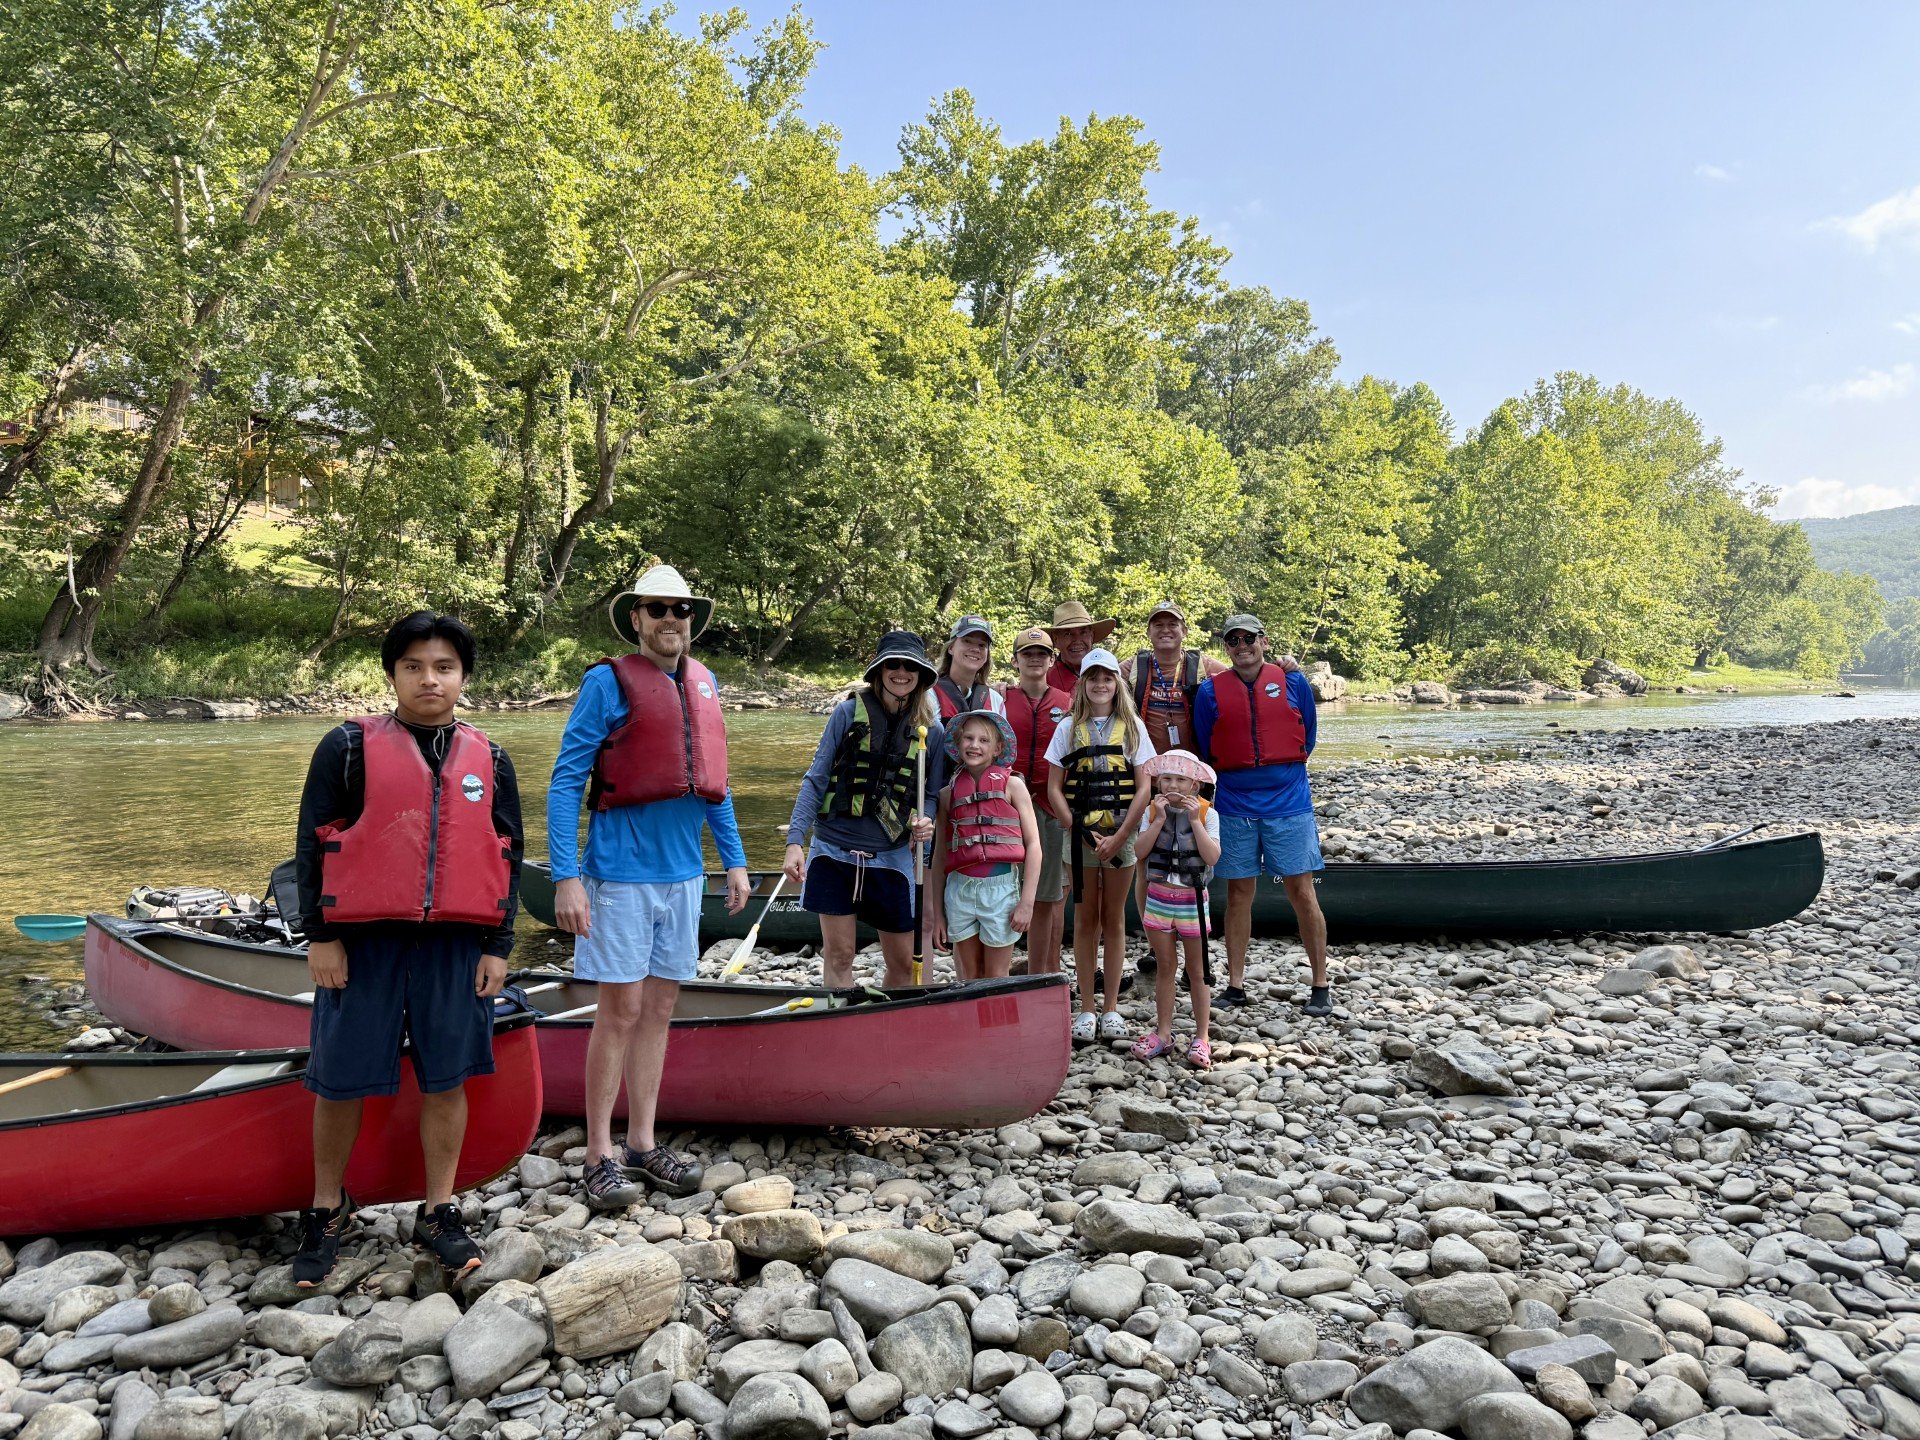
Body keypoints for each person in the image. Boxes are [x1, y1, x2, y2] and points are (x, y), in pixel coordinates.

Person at [292, 611, 523, 1286]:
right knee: (339, 1079)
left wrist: (498, 945)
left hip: (455, 944)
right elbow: (311, 844)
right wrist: (320, 936)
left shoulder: (491, 759)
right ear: (392, 674)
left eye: (444, 667)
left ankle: (438, 1209)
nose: (429, 679)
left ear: (463, 676)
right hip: (363, 943)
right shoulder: (347, 747)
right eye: (414, 666)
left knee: (447, 1078)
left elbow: (508, 854)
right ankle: (326, 1208)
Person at [547, 565, 749, 1209]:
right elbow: (565, 782)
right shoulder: (606, 683)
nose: (670, 619)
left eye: (680, 609)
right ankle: (598, 1154)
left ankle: (641, 1142)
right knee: (620, 1012)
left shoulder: (704, 683)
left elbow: (713, 781)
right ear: (635, 617)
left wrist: (735, 860)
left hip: (683, 877)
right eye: (657, 608)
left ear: (692, 620)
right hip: (619, 878)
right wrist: (565, 877)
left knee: (660, 1010)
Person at [784, 632, 946, 988]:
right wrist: (795, 841)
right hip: (833, 852)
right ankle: (839, 1018)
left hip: (891, 857)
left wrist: (926, 820)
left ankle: (888, 1021)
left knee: (903, 963)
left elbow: (931, 794)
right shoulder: (846, 713)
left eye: (910, 666)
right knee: (840, 955)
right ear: (879, 671)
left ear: (920, 674)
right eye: (893, 664)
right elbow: (816, 778)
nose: (901, 672)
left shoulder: (931, 732)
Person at [1193, 613, 1332, 1017]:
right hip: (1235, 804)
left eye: (1249, 638)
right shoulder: (1210, 692)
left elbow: (1308, 737)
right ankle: (1235, 985)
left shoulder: (1293, 682)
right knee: (1239, 893)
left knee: (1301, 890)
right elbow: (1206, 746)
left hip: (1289, 804)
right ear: (1226, 648)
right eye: (1233, 640)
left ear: (1264, 641)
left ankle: (1320, 984)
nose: (1242, 646)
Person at [1045, 648, 1154, 1043]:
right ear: (1083, 684)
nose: (1101, 684)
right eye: (1093, 678)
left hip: (1121, 836)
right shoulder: (1067, 728)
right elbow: (1054, 789)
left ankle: (1111, 1009)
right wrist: (1081, 831)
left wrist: (1121, 836)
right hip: (1080, 840)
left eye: (1107, 678)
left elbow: (1144, 787)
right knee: (1086, 919)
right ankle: (1087, 1009)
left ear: (1116, 683)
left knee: (1114, 919)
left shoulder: (1134, 727)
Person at [928, 710, 1041, 981]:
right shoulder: (947, 795)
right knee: (969, 975)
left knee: (996, 975)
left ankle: (999, 1012)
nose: (974, 745)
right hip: (959, 890)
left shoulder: (1014, 786)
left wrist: (1026, 903)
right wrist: (937, 914)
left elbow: (1034, 845)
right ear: (958, 743)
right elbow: (940, 857)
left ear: (998, 748)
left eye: (983, 740)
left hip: (1001, 890)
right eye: (968, 738)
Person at [1131, 750, 1223, 1070]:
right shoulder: (1151, 812)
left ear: (1194, 785)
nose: (1173, 785)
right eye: (1167, 778)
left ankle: (1202, 1036)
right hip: (1159, 897)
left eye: (1181, 779)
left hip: (1191, 899)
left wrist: (1195, 821)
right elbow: (1140, 851)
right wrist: (1158, 820)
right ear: (1158, 783)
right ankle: (1163, 1033)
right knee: (1165, 967)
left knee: (1198, 970)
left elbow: (1212, 857)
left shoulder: (1208, 814)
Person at [999, 627, 1073, 974]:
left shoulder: (1067, 703)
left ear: (1051, 660)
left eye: (1041, 654)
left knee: (1046, 897)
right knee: (1001, 892)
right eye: (1027, 654)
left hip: (1048, 807)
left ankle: (1039, 975)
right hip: (1005, 808)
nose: (1034, 659)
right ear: (1015, 660)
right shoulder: (999, 700)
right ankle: (997, 971)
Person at [933, 615, 1006, 721]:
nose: (975, 649)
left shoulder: (996, 700)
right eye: (967, 641)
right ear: (951, 648)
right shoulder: (928, 692)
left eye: (982, 645)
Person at [1042, 600, 1117, 697]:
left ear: (1091, 636)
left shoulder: (1109, 674)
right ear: (1056, 640)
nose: (1077, 640)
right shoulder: (1044, 681)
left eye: (1083, 632)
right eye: (1068, 634)